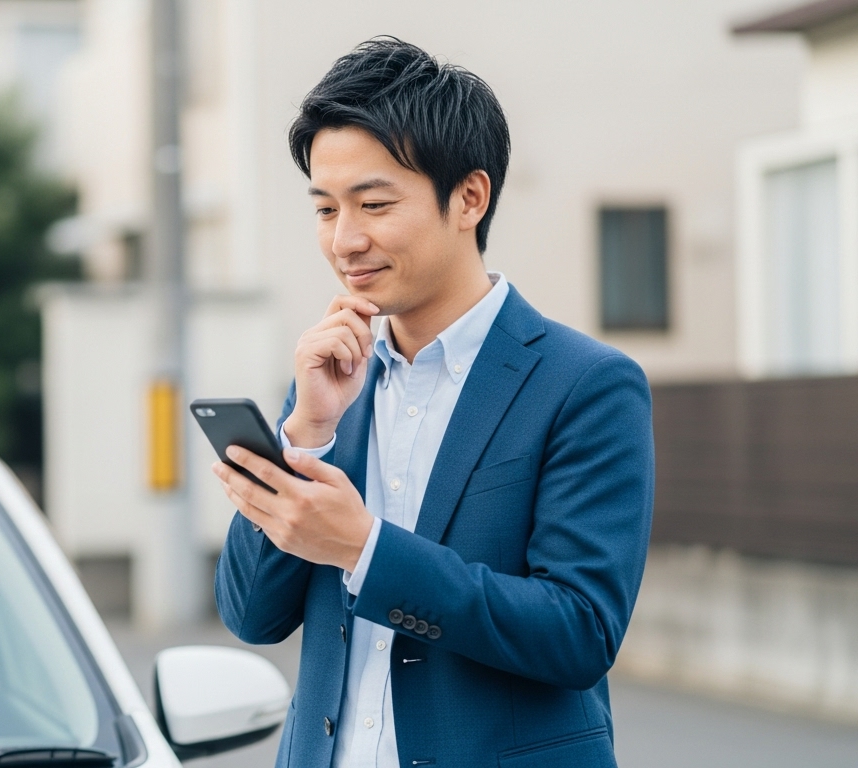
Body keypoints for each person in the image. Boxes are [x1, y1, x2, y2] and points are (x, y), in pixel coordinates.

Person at [212, 37, 653, 768]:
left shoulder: (586, 384)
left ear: (468, 198)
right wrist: (306, 431)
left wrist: (364, 548)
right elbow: (253, 614)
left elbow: (579, 633)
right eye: (325, 209)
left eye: (374, 204)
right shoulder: (328, 382)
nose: (345, 240)